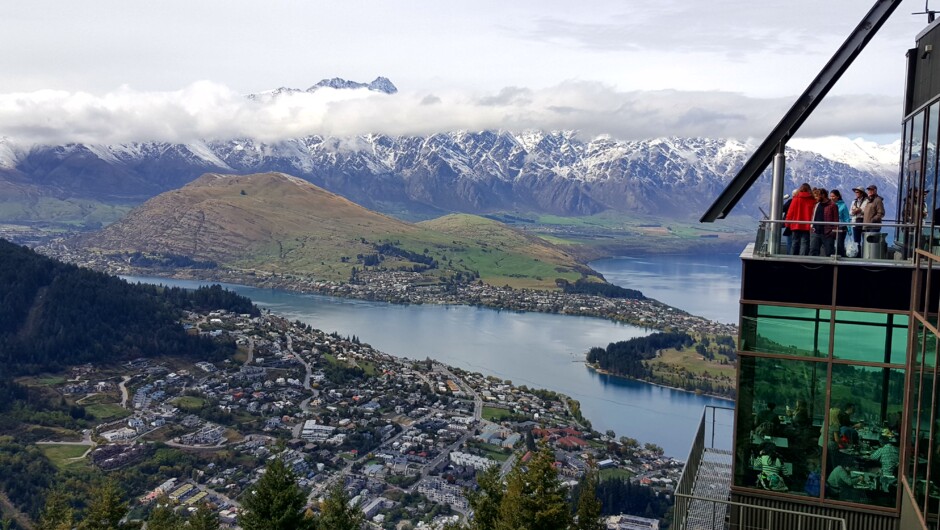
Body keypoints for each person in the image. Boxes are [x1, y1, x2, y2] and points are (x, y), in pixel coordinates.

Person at [785, 183, 815, 256]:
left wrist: (787, 223)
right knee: (805, 243)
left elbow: (790, 212)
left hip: (795, 224)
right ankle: (803, 258)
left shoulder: (795, 199)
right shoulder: (812, 200)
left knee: (795, 242)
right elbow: (814, 213)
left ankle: (793, 258)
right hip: (807, 225)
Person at [810, 188, 839, 257]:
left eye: (818, 195)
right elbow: (813, 216)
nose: (816, 197)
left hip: (827, 233)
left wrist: (833, 231)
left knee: (829, 252)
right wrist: (811, 226)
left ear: (823, 195)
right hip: (816, 232)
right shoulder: (817, 205)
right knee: (813, 251)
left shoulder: (832, 205)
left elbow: (836, 219)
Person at [849, 187, 869, 257]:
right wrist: (854, 212)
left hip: (864, 223)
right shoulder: (854, 202)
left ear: (861, 193)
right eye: (855, 192)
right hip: (855, 223)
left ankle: (865, 255)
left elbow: (867, 211)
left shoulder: (867, 201)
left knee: (865, 240)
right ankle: (857, 255)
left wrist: (860, 210)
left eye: (857, 192)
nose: (856, 193)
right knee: (856, 241)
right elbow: (850, 212)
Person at [830, 190, 851, 257]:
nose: (831, 198)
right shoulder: (829, 205)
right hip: (831, 227)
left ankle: (841, 258)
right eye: (831, 196)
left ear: (837, 196)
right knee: (830, 243)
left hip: (841, 227)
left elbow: (846, 218)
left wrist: (849, 229)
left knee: (840, 244)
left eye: (833, 196)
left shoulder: (843, 206)